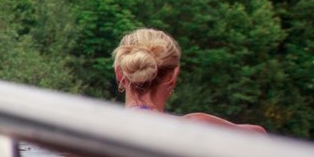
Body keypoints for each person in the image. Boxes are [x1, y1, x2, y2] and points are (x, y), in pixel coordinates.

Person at [112, 27, 265, 132]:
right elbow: (258, 135)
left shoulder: (95, 130)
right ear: (172, 76)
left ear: (120, 74)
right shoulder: (195, 127)